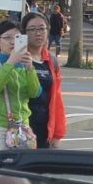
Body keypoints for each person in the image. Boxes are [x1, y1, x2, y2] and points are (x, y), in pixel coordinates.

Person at [0, 19, 41, 152]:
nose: (13, 42)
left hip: (20, 127)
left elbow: (35, 92)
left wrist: (30, 69)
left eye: (17, 38)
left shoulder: (25, 64)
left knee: (18, 166)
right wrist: (11, 62)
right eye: (7, 38)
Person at [22, 12, 67, 149]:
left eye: (42, 28)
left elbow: (56, 97)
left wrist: (57, 134)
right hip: (22, 127)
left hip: (45, 128)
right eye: (32, 29)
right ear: (24, 33)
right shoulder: (18, 58)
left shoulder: (51, 60)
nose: (38, 33)